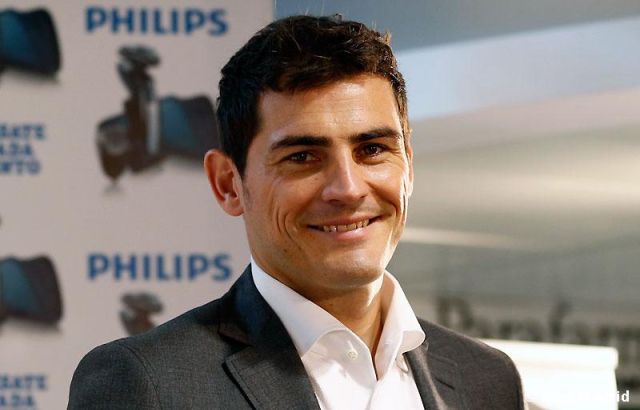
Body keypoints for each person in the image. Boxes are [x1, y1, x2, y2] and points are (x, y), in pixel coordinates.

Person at [68, 15, 524, 410]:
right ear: (228, 184)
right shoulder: (148, 383)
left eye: (372, 149)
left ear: (409, 164)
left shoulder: (485, 379)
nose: (347, 188)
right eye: (303, 157)